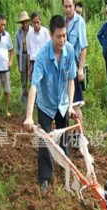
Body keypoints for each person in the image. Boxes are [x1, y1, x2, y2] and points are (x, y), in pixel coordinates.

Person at [24, 15, 76, 193]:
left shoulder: (69, 51)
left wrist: (70, 105)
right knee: (45, 140)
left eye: (64, 36)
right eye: (59, 36)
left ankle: (65, 166)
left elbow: (71, 80)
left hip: (62, 103)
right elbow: (34, 86)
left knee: (63, 137)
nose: (62, 40)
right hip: (45, 104)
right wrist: (29, 116)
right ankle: (45, 177)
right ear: (51, 35)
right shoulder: (42, 56)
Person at [62, 0, 87, 130]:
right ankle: (66, 134)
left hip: (74, 65)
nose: (68, 9)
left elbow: (83, 47)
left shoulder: (79, 22)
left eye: (70, 6)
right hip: (62, 66)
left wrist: (81, 69)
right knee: (63, 102)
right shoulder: (62, 21)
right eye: (66, 6)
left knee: (75, 104)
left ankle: (80, 136)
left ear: (73, 6)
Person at [15, 11, 33, 106]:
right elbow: (17, 50)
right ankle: (24, 99)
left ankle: (33, 98)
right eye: (23, 22)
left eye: (26, 22)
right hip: (23, 56)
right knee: (23, 78)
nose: (25, 24)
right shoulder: (18, 33)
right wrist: (18, 63)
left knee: (32, 77)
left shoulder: (32, 31)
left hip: (31, 56)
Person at [26, 11, 50, 79]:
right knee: (34, 84)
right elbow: (29, 52)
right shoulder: (29, 34)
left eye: (37, 22)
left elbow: (48, 49)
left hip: (44, 61)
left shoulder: (45, 32)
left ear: (40, 21)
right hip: (34, 62)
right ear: (31, 23)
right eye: (34, 22)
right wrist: (29, 69)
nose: (36, 24)